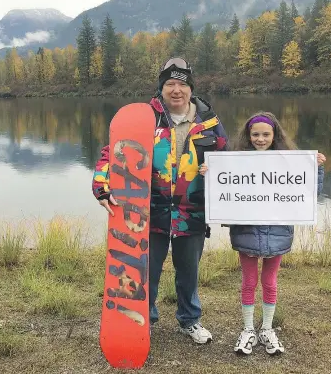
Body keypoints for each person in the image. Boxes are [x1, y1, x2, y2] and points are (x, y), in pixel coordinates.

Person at [92, 57, 229, 344]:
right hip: (147, 211)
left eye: (182, 84)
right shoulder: (143, 118)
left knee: (189, 274)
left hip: (192, 212)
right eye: (170, 84)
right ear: (161, 88)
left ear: (191, 88)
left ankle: (189, 321)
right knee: (145, 273)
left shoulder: (209, 122)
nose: (176, 90)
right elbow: (112, 153)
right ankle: (145, 322)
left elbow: (228, 159)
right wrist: (102, 186)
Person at [200, 111, 325, 355]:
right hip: (246, 233)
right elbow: (221, 197)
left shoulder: (290, 162)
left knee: (270, 282)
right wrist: (209, 175)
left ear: (274, 135)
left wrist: (316, 169)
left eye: (265, 134)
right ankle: (248, 329)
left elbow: (309, 194)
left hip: (277, 235)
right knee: (248, 282)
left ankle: (267, 328)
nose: (260, 139)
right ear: (248, 136)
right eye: (255, 134)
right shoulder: (235, 162)